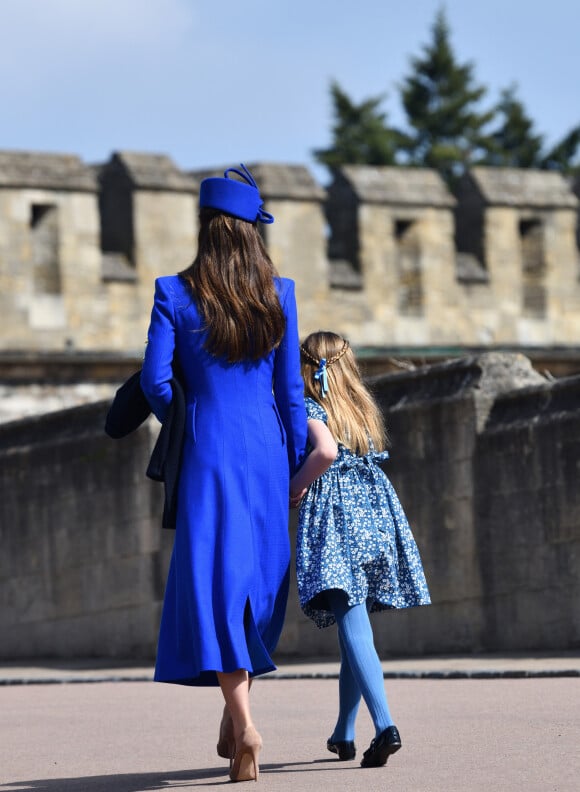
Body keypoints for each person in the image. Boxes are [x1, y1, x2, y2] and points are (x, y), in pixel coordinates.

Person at [140, 164, 307, 783]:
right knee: (259, 583)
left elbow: (157, 382)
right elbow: (291, 392)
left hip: (206, 449)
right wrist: (294, 464)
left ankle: (245, 726)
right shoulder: (280, 293)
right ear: (252, 232)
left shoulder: (172, 292)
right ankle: (237, 721)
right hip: (265, 449)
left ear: (206, 228)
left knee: (215, 583)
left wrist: (183, 420)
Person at [289, 331, 431, 769]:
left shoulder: (311, 408)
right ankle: (344, 732)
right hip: (375, 517)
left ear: (308, 368)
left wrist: (292, 489)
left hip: (336, 522)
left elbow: (325, 452)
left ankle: (385, 725)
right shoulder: (362, 410)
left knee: (352, 624)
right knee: (354, 624)